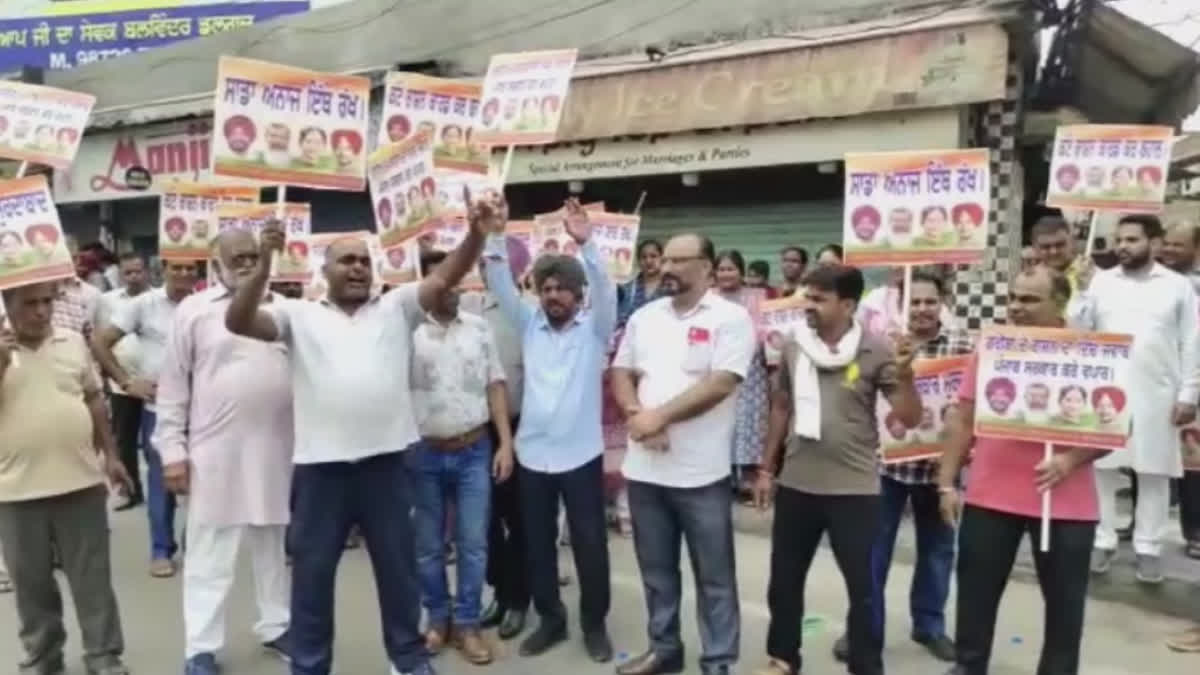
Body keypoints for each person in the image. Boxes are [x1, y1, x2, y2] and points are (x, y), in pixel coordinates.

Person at [225, 190, 493, 675]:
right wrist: (263, 264)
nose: (356, 269)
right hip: (320, 472)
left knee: (399, 575)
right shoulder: (297, 314)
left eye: (363, 262)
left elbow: (446, 276)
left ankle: (408, 660)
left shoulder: (397, 307)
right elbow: (239, 320)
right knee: (311, 578)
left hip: (387, 467)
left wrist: (476, 233)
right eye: (345, 261)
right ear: (322, 273)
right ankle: (309, 664)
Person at [938, 265, 1108, 675]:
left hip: (1065, 503)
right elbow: (963, 417)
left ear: (1060, 303)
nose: (1016, 306)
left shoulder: (1090, 350)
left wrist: (1069, 460)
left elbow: (1117, 425)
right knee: (975, 597)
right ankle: (968, 666)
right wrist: (946, 482)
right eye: (1013, 297)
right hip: (990, 494)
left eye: (1030, 299)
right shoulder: (992, 347)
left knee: (1065, 608)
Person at [752, 264, 921, 675]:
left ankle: (866, 666)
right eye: (807, 296)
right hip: (797, 483)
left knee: (863, 589)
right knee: (784, 582)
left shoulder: (877, 349)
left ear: (847, 304)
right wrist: (766, 468)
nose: (808, 305)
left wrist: (906, 373)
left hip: (855, 490)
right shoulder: (794, 345)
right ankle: (783, 659)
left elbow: (910, 417)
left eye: (818, 299)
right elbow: (781, 406)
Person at [611, 234, 755, 675]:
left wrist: (660, 418)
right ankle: (665, 651)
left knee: (714, 578)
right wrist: (638, 414)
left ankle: (717, 661)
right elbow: (621, 369)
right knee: (656, 573)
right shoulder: (646, 315)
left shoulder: (731, 318)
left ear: (707, 268)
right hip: (645, 471)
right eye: (665, 259)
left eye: (678, 260)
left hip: (701, 474)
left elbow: (722, 383)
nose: (666, 267)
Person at [481, 198, 616, 663]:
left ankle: (594, 624)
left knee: (590, 545)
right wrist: (496, 234)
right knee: (537, 546)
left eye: (563, 289)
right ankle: (551, 620)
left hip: (580, 456)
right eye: (547, 288)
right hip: (533, 456)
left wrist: (588, 244)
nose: (554, 296)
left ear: (579, 296)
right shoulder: (528, 324)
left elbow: (604, 285)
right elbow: (498, 279)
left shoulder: (595, 329)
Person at [153, 232, 293, 675]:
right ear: (216, 265)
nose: (249, 264)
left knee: (273, 544)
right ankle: (201, 647)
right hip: (215, 453)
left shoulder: (286, 308)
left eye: (255, 256)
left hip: (277, 449)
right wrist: (172, 451)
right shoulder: (193, 312)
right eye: (239, 258)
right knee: (211, 554)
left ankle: (277, 625)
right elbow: (173, 387)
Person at [831, 270, 973, 665]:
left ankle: (929, 625)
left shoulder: (965, 344)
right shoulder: (878, 343)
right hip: (884, 466)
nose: (923, 309)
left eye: (930, 302)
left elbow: (971, 407)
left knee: (938, 550)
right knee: (872, 552)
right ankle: (862, 629)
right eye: (915, 302)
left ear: (943, 303)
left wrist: (956, 452)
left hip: (938, 469)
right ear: (902, 305)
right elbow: (851, 384)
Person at [0, 281, 134, 675]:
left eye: (47, 302)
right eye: (30, 304)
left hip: (80, 482)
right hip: (15, 490)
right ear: (8, 304)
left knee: (93, 579)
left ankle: (104, 655)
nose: (41, 311)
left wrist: (111, 454)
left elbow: (93, 398)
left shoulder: (72, 341)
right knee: (31, 585)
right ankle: (43, 658)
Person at [1068, 214, 1199, 585]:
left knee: (1154, 470)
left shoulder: (1178, 287)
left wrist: (1190, 393)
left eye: (1131, 239)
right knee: (1103, 467)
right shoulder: (1101, 282)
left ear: (1155, 243)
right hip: (1107, 389)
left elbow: (1192, 343)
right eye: (1119, 239)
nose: (1122, 246)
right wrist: (1079, 291)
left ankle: (1149, 548)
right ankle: (1103, 539)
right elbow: (1078, 330)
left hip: (1158, 390)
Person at [409, 250, 515, 666]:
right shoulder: (407, 331)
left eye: (456, 281)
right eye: (442, 281)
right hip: (424, 453)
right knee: (429, 547)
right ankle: (438, 619)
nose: (450, 289)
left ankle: (468, 623)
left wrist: (505, 443)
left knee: (473, 544)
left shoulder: (479, 329)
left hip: (475, 450)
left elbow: (496, 385)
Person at [94, 257, 198, 578]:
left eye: (190, 268)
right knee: (162, 481)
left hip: (207, 411)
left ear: (199, 272)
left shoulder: (206, 305)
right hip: (161, 409)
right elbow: (100, 341)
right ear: (163, 269)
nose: (183, 273)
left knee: (205, 483)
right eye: (176, 267)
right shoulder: (143, 305)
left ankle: (195, 548)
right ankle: (161, 549)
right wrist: (126, 382)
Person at [461, 258, 531, 641]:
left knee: (518, 518)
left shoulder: (530, 312)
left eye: (499, 263)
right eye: (485, 264)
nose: (489, 271)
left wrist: (519, 437)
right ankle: (501, 593)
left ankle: (518, 599)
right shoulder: (470, 307)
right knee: (482, 520)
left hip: (521, 428)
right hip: (475, 429)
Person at [711, 250, 770, 495]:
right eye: (722, 269)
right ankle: (721, 477)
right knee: (720, 418)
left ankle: (747, 477)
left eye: (731, 269)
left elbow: (768, 330)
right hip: (716, 366)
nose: (726, 274)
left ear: (741, 272)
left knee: (749, 422)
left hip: (751, 368)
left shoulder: (758, 297)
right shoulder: (709, 297)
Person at [1158, 221, 1200, 560]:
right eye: (1166, 244)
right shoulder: (1152, 284)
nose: (1170, 251)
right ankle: (1142, 526)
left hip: (1192, 383)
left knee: (1193, 463)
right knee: (1148, 459)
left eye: (1178, 245)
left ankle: (1195, 531)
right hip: (1158, 381)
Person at [97, 253, 151, 511]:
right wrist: (112, 377)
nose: (133, 277)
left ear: (147, 273)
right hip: (123, 382)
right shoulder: (107, 302)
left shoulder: (159, 300)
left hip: (155, 385)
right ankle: (132, 491)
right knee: (125, 441)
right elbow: (100, 339)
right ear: (120, 276)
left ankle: (166, 491)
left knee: (158, 444)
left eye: (138, 271)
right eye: (128, 272)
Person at [618, 239, 665, 328]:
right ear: (638, 261)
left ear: (662, 258)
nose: (648, 261)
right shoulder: (626, 289)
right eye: (644, 257)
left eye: (653, 256)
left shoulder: (672, 288)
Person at [1030, 216, 1081, 296]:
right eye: (1046, 246)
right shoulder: (1029, 280)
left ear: (1072, 242)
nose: (1054, 252)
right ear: (1035, 248)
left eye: (1060, 244)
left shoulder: (1093, 277)